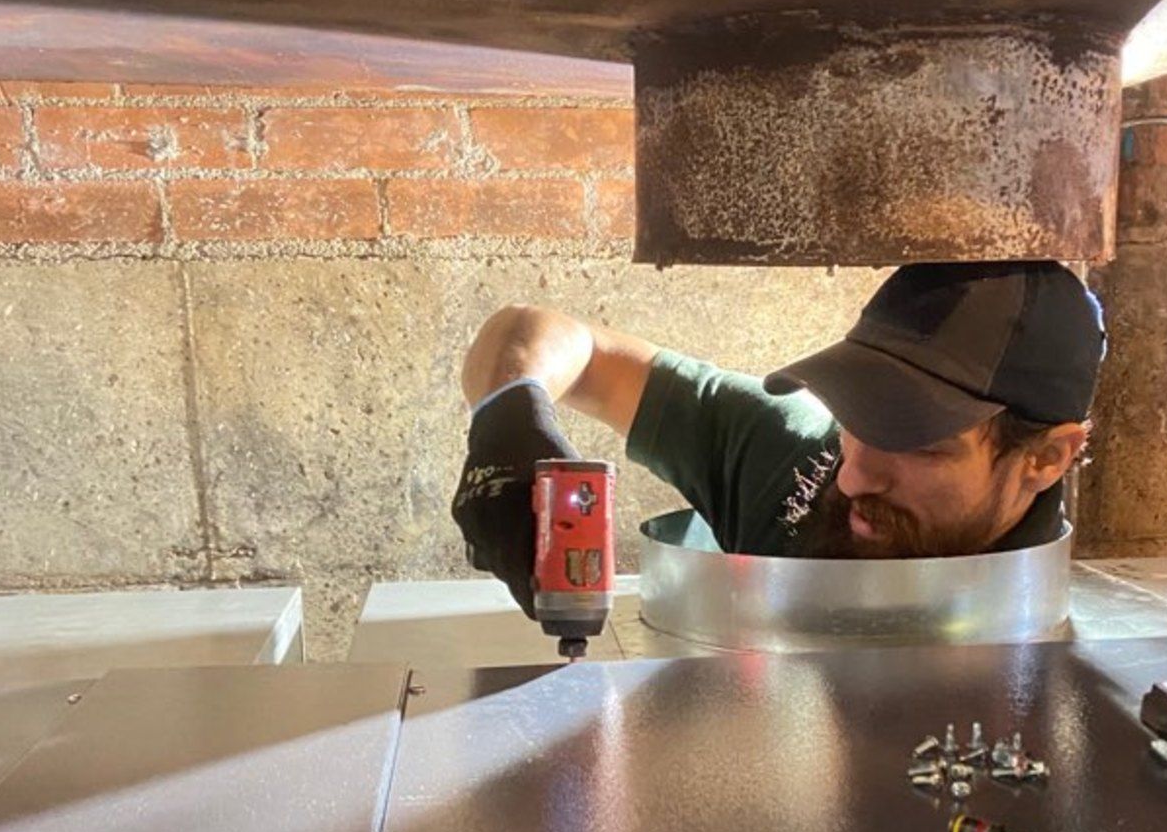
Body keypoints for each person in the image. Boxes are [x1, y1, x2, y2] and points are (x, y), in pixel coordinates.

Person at [452, 259, 1105, 617]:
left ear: (1045, 458)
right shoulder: (785, 455)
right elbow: (533, 328)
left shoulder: (1053, 629)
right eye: (856, 415)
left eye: (918, 442)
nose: (852, 477)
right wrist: (510, 417)